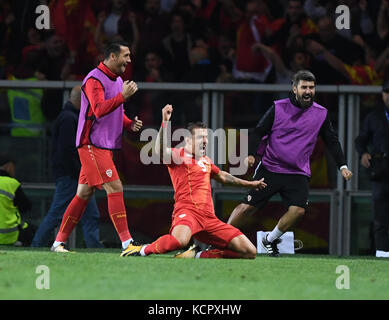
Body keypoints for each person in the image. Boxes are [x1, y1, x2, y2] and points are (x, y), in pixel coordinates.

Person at [227, 70, 353, 256]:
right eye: (304, 87)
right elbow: (259, 130)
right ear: (295, 89)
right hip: (270, 168)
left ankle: (269, 240)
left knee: (298, 211)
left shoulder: (321, 114)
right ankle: (220, 238)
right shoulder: (278, 107)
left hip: (297, 173)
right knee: (247, 207)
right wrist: (252, 154)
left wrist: (342, 166)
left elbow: (332, 141)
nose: (308, 91)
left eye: (311, 87)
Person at [121, 104, 267, 259]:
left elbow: (224, 177)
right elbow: (160, 151)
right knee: (179, 240)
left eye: (206, 137)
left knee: (250, 252)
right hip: (187, 212)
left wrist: (250, 184)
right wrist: (165, 121)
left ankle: (198, 255)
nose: (205, 141)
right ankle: (141, 250)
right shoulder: (178, 156)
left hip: (210, 218)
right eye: (200, 137)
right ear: (188, 140)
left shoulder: (206, 161)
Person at [50, 41, 143, 254]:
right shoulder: (93, 79)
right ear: (112, 56)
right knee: (116, 187)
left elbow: (115, 113)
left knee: (83, 193)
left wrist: (129, 124)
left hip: (103, 145)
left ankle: (58, 243)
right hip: (92, 144)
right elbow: (99, 110)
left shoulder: (117, 79)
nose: (129, 60)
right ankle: (127, 243)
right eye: (125, 56)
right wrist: (123, 97)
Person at [31, 86, 103, 248]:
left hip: (75, 175)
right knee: (60, 213)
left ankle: (94, 246)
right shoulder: (70, 119)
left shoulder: (68, 117)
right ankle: (37, 244)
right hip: (72, 176)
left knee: (88, 213)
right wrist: (80, 173)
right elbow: (69, 151)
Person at [355, 80, 389, 258]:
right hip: (381, 171)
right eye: (386, 92)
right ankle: (383, 254)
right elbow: (360, 139)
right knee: (380, 217)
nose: (388, 96)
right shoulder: (374, 116)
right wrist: (363, 153)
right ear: (382, 94)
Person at [0, 154, 35, 246]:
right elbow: (26, 207)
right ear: (9, 166)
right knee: (32, 230)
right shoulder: (11, 183)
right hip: (9, 235)